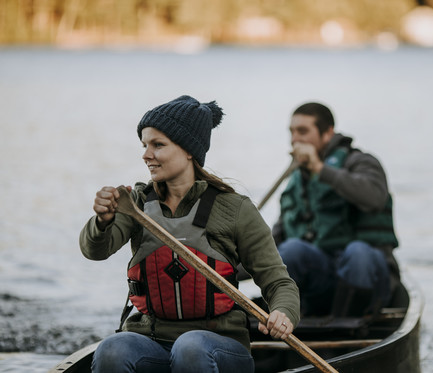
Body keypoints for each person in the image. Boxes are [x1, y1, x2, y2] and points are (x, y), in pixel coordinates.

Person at [79, 95, 300, 373]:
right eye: (145, 145)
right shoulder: (135, 203)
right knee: (113, 348)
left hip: (220, 347)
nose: (146, 154)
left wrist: (283, 312)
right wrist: (103, 220)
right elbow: (95, 251)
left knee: (190, 347)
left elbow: (279, 282)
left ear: (188, 151)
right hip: (153, 342)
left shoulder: (235, 208)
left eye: (158, 145)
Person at [272, 102, 400, 318]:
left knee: (357, 252)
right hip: (323, 279)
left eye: (303, 131)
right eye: (291, 132)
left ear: (328, 133)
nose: (295, 140)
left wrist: (319, 168)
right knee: (292, 249)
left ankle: (349, 328)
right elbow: (273, 244)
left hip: (370, 277)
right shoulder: (296, 181)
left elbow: (374, 197)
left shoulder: (362, 162)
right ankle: (292, 322)